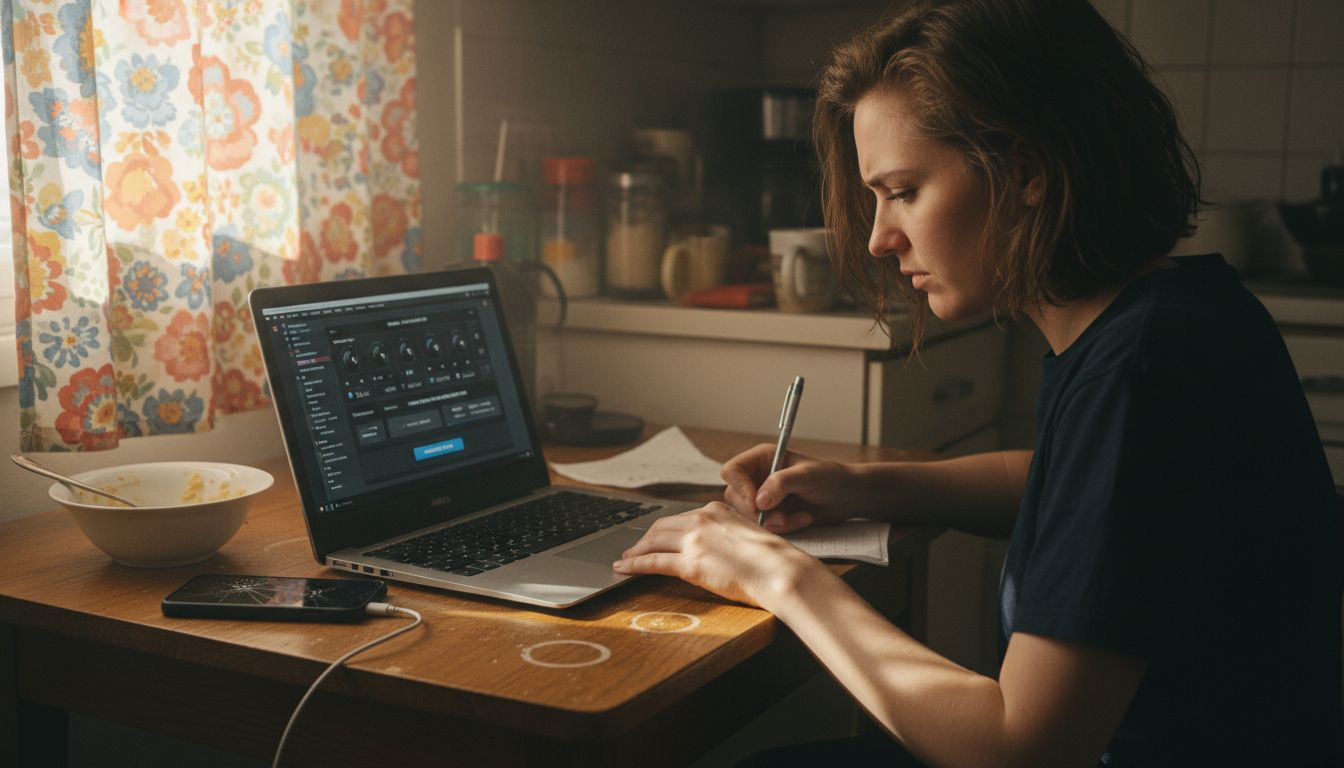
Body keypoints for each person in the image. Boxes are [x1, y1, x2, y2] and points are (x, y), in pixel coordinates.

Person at [612, 0, 1344, 765]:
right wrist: (858, 487)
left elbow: (1022, 746)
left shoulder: (1143, 368)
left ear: (1026, 169)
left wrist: (776, 575)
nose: (878, 237)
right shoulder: (1167, 314)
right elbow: (1072, 488)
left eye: (902, 190)